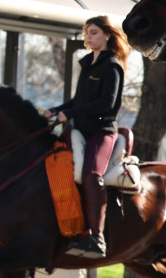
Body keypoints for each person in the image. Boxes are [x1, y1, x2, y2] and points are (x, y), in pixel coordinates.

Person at [47, 15, 128, 259]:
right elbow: (79, 100)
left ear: (107, 35)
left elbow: (107, 103)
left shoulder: (112, 66)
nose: (88, 37)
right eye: (87, 33)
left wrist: (69, 113)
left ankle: (97, 238)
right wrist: (57, 110)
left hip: (101, 132)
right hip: (80, 130)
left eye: (93, 32)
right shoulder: (88, 64)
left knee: (92, 176)